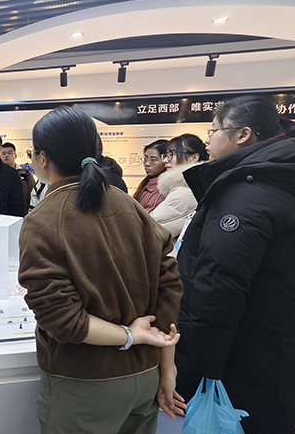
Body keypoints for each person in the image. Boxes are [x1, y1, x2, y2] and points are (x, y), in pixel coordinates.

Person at [18, 106, 184, 434]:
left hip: (85, 385)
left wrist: (129, 336)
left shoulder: (42, 220)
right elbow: (170, 284)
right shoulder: (130, 205)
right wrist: (167, 367)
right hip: (145, 376)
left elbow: (63, 320)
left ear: (43, 158)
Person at [175, 95, 295, 433]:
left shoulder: (247, 192)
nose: (208, 141)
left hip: (240, 366)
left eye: (213, 130)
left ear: (243, 135)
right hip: (273, 351)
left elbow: (219, 288)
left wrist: (199, 371)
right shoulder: (275, 179)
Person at [150, 134, 208, 241]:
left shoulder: (186, 191)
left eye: (171, 155)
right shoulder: (195, 184)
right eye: (165, 155)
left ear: (194, 158)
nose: (165, 160)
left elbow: (150, 230)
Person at [133, 139, 168, 212]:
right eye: (145, 159)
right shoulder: (147, 183)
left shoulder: (163, 188)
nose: (147, 164)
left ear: (166, 160)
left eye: (153, 160)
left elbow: (148, 215)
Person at [1, 142, 36, 214]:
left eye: (9, 153)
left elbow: (32, 194)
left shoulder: (24, 173)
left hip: (22, 213)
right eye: (3, 153)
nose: (6, 155)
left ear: (15, 155)